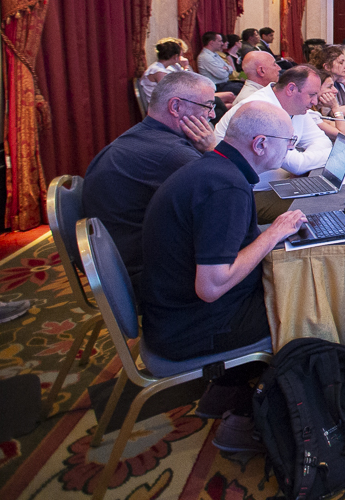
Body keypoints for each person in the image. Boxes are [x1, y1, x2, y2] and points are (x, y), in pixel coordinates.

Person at [140, 101, 308, 452]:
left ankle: (226, 392)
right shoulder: (226, 187)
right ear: (260, 144)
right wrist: (274, 234)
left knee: (290, 284)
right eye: (288, 142)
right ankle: (249, 419)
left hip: (170, 313)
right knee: (308, 307)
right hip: (191, 328)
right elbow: (211, 286)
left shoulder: (215, 168)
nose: (290, 150)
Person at [84, 71, 218, 281]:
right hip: (150, 274)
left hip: (123, 258)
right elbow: (231, 196)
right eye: (208, 106)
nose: (212, 115)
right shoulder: (172, 154)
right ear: (176, 107)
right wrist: (212, 149)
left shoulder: (141, 135)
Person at [213, 66, 345, 196]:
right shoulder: (261, 109)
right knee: (328, 203)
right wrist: (341, 154)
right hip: (249, 192)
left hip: (281, 183)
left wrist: (304, 161)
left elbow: (321, 141)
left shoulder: (295, 105)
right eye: (312, 95)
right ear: (291, 89)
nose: (315, 101)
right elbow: (298, 165)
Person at [140, 39, 189, 105]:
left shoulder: (158, 67)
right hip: (157, 106)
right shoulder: (159, 71)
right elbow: (169, 93)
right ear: (175, 57)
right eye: (180, 56)